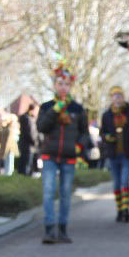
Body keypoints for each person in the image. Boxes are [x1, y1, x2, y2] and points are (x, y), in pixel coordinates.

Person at [37, 65, 87, 243]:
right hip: (49, 155)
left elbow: (84, 132)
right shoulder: (46, 107)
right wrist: (54, 111)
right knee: (48, 191)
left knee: (65, 193)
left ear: (70, 86)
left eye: (66, 84)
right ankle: (49, 229)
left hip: (69, 156)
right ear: (54, 85)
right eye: (60, 83)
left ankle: (63, 229)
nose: (63, 87)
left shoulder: (77, 109)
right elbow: (41, 127)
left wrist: (79, 147)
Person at [99, 86, 129, 222]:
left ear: (123, 98)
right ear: (111, 98)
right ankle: (119, 209)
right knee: (116, 184)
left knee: (124, 182)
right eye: (115, 96)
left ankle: (126, 209)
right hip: (113, 155)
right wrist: (107, 137)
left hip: (126, 154)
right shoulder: (107, 115)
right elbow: (102, 132)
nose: (117, 98)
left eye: (119, 96)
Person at [15, 99, 38, 175]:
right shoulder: (28, 119)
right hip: (28, 145)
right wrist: (35, 142)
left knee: (24, 161)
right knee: (27, 162)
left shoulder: (26, 117)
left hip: (24, 143)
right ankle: (25, 175)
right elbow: (30, 132)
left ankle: (22, 175)